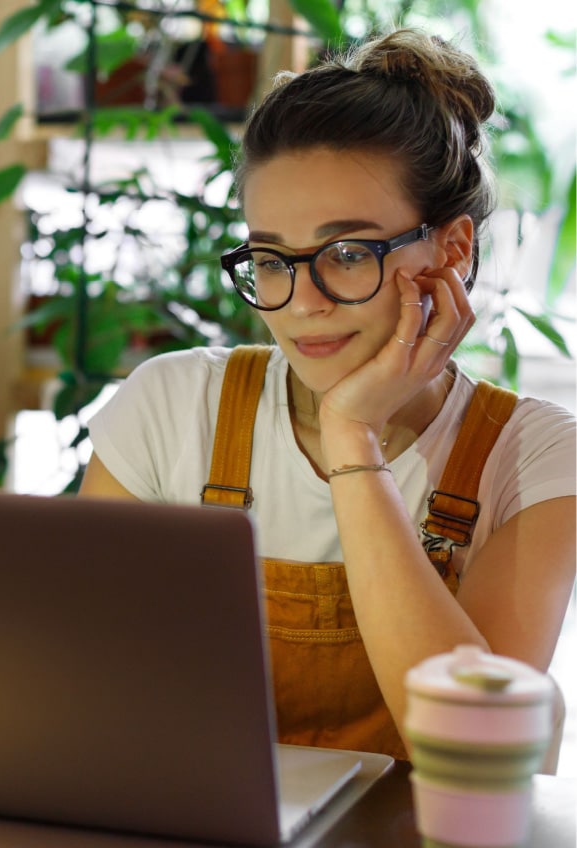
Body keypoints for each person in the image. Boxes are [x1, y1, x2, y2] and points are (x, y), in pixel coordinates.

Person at [79, 29, 576, 760]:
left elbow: (471, 747)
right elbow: (76, 679)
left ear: (452, 250)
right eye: (272, 258)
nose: (300, 301)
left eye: (346, 254)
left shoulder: (532, 454)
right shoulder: (172, 403)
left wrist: (352, 442)